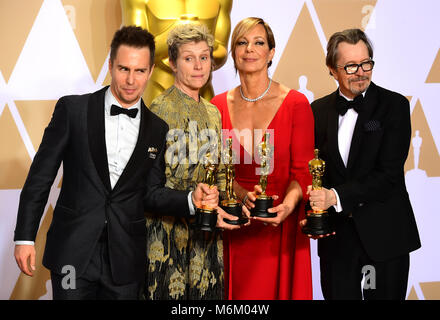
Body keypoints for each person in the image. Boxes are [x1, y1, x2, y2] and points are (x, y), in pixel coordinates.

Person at [13, 26, 215, 300]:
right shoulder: (73, 110)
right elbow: (41, 177)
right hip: (73, 253)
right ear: (110, 66)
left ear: (151, 70)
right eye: (123, 69)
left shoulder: (157, 128)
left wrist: (192, 199)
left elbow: (151, 193)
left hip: (124, 260)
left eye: (140, 71)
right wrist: (24, 238)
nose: (131, 80)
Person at [303, 28, 421, 300]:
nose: (361, 72)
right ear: (332, 69)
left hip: (385, 237)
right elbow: (312, 170)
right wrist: (308, 210)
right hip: (336, 240)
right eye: (351, 66)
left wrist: (334, 196)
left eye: (366, 63)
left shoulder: (394, 106)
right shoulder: (317, 111)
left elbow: (388, 175)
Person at [211, 17, 314, 300]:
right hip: (236, 225)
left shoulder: (296, 103)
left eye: (259, 43)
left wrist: (288, 206)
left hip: (282, 226)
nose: (249, 49)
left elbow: (303, 172)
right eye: (242, 42)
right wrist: (242, 194)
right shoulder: (216, 106)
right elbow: (216, 170)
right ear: (233, 52)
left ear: (270, 53)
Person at [144, 23, 240, 300]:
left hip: (207, 234)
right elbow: (150, 187)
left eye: (204, 57)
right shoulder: (159, 110)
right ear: (173, 64)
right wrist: (193, 200)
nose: (199, 66)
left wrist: (225, 205)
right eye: (189, 58)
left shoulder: (213, 112)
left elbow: (220, 171)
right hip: (167, 236)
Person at [121, 0, 232, 105]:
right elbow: (137, 54)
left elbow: (221, 53)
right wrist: (179, 32)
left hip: (203, 93)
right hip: (160, 90)